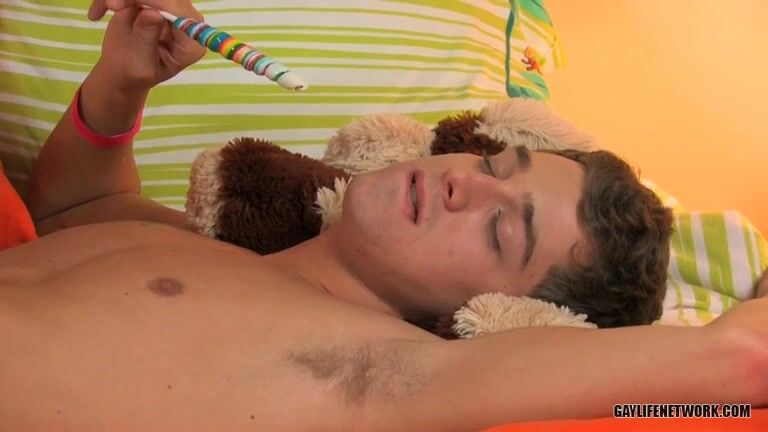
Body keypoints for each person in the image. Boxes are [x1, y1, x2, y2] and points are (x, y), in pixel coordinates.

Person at [0, 0, 765, 430]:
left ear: (505, 317)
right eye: (492, 166)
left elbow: (741, 360)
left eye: (502, 230)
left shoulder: (390, 373)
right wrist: (123, 83)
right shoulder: (219, 257)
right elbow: (77, 209)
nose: (465, 186)